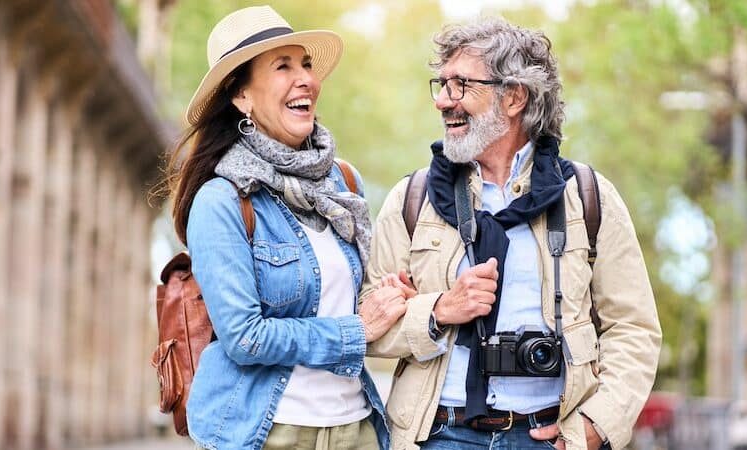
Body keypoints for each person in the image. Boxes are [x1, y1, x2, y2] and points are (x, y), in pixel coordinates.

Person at [362, 17, 662, 450]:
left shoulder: (588, 197)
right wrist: (440, 310)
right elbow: (367, 326)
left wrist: (594, 428)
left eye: (461, 85)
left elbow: (633, 329)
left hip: (549, 436)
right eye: (441, 84)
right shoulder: (413, 198)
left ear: (515, 97)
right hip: (437, 435)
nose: (444, 101)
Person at [164, 6, 410, 450]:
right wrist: (357, 329)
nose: (307, 80)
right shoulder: (221, 202)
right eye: (283, 66)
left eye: (307, 64)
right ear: (241, 96)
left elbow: (351, 301)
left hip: (357, 429)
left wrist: (388, 295)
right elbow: (245, 338)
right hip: (268, 433)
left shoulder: (344, 183)